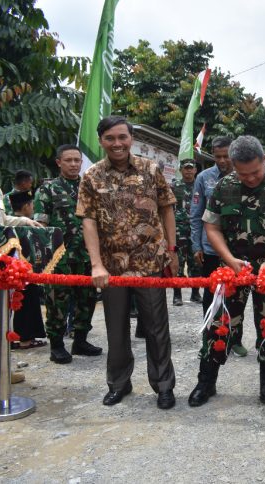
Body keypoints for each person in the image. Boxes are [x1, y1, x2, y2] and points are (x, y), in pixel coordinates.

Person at [187, 136, 265, 407]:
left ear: (263, 160)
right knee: (219, 323)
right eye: (242, 173)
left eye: (255, 172)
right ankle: (206, 382)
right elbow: (211, 227)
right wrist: (228, 259)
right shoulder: (225, 185)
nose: (249, 179)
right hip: (232, 268)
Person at [77, 115, 178, 410]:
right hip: (112, 268)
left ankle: (163, 386)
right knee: (116, 328)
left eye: (122, 137)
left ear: (131, 138)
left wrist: (171, 249)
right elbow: (89, 221)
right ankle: (119, 384)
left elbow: (166, 209)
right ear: (101, 141)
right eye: (110, 138)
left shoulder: (151, 169)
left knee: (157, 328)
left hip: (149, 263)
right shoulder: (92, 176)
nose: (117, 144)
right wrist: (96, 264)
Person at [34, 144, 102, 363]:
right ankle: (56, 345)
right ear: (59, 162)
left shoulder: (89, 188)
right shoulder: (48, 189)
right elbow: (40, 225)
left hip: (86, 255)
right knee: (57, 302)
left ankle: (80, 340)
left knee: (87, 298)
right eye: (69, 160)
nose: (74, 164)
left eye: (77, 160)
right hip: (59, 258)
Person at [190, 137, 248, 356]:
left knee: (238, 296)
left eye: (226, 156)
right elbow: (196, 215)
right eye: (218, 156)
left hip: (238, 249)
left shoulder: (244, 175)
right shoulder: (204, 178)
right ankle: (210, 338)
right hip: (211, 249)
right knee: (212, 296)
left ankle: (235, 339)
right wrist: (197, 245)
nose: (222, 160)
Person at [7, 190, 47, 350]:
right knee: (23, 304)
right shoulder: (24, 226)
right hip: (21, 271)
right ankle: (24, 339)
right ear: (26, 206)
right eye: (31, 205)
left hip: (13, 271)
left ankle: (17, 338)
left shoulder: (14, 222)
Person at [171, 158, 201, 306]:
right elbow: (168, 209)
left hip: (196, 230)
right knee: (179, 262)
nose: (188, 170)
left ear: (195, 170)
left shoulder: (199, 185)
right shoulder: (174, 186)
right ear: (181, 170)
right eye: (186, 168)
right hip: (178, 229)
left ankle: (196, 294)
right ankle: (177, 295)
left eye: (191, 168)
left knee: (196, 262)